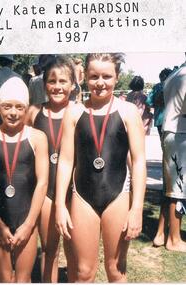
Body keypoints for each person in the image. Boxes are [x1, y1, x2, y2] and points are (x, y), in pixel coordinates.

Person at [55, 53, 146, 282]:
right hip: (82, 198)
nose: (100, 82)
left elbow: (139, 162)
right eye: (94, 76)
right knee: (83, 271)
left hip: (118, 196)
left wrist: (136, 209)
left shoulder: (128, 112)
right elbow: (66, 161)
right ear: (84, 76)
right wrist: (59, 205)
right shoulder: (74, 112)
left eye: (107, 76)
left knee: (116, 269)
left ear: (117, 78)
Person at [0, 76, 49, 282]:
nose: (13, 112)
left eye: (19, 107)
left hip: (27, 217)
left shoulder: (37, 137)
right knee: (4, 278)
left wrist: (29, 224)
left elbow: (42, 182)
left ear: (26, 108)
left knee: (23, 279)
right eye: (7, 106)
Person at [26, 55, 76, 282]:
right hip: (45, 191)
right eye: (52, 81)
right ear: (44, 84)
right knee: (49, 249)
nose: (57, 86)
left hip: (76, 191)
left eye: (63, 81)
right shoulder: (34, 112)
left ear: (73, 84)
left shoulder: (80, 111)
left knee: (75, 251)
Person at [161, 54, 186, 252]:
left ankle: (161, 234)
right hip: (180, 134)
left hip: (171, 132)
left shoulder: (175, 74)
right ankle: (174, 240)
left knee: (171, 187)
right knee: (178, 187)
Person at [146, 67, 173, 247]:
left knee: (166, 153)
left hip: (161, 121)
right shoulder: (171, 84)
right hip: (170, 122)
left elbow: (150, 102)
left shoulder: (157, 87)